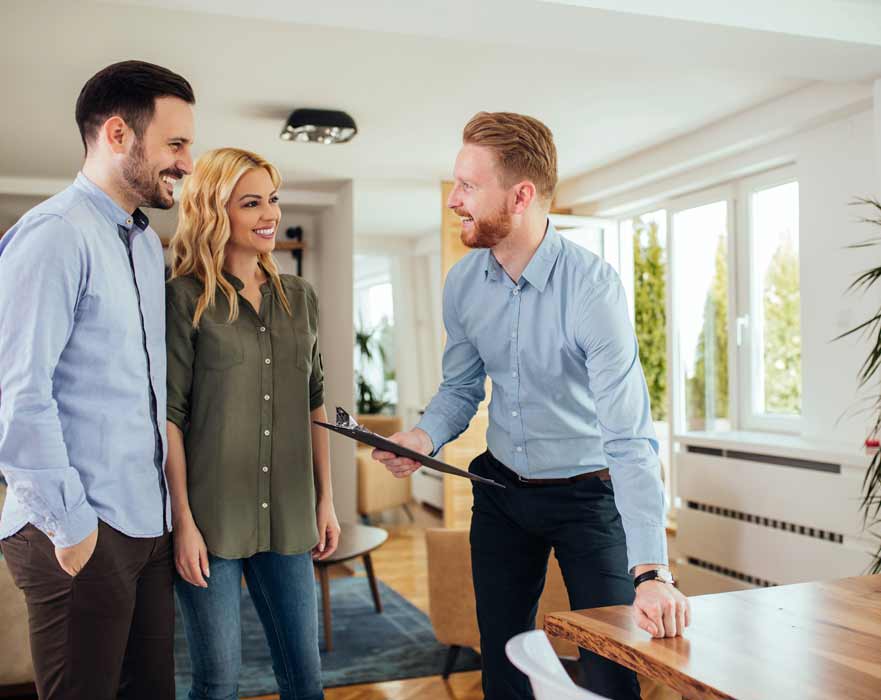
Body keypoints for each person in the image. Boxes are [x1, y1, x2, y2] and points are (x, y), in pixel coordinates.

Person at [372, 111, 691, 700]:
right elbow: (461, 389)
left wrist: (653, 572)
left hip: (587, 497)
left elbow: (629, 435)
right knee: (504, 660)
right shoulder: (463, 284)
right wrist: (421, 439)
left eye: (468, 186)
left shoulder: (593, 290)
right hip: (501, 494)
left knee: (611, 667)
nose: (454, 201)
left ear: (520, 196)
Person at [0, 60, 195, 699]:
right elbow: (18, 397)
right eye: (175, 144)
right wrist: (73, 527)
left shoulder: (143, 244)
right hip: (79, 529)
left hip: (146, 524)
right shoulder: (53, 236)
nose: (187, 163)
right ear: (117, 134)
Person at [165, 147, 338, 700]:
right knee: (217, 683)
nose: (269, 214)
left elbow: (315, 402)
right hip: (211, 521)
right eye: (251, 203)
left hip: (288, 518)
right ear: (216, 211)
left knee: (305, 680)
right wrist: (183, 521)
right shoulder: (183, 299)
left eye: (273, 199)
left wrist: (325, 498)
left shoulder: (301, 299)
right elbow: (170, 416)